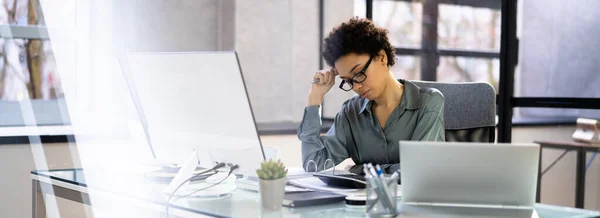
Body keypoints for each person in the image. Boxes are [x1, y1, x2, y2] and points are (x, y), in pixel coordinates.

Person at [297, 17, 445, 175]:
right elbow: (313, 163)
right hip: (364, 199)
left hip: (412, 199)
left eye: (359, 73)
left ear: (382, 57)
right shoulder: (350, 113)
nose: (356, 86)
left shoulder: (428, 103)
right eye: (348, 81)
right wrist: (315, 99)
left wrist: (360, 170)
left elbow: (418, 169)